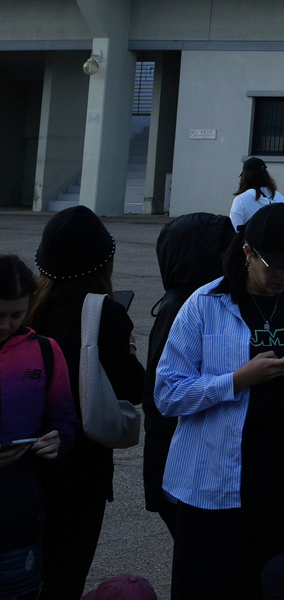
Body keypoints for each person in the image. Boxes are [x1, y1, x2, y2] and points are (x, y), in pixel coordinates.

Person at [156, 202, 284, 600]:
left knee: (276, 584)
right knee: (210, 583)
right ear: (248, 252)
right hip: (215, 478)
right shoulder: (204, 305)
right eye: (276, 268)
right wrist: (237, 380)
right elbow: (167, 393)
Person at [28, 207, 150, 600]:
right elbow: (133, 389)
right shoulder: (105, 313)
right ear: (103, 261)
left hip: (26, 458)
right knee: (65, 573)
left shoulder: (25, 308)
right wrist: (128, 352)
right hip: (81, 467)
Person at [143, 213, 234, 536]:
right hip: (179, 463)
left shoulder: (198, 302)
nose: (231, 259)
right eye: (222, 253)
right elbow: (166, 393)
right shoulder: (185, 307)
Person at [0, 253, 73, 600]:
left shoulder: (45, 351)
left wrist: (58, 442)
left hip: (18, 519)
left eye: (17, 314)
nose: (6, 325)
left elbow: (63, 418)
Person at [230, 158, 284, 230]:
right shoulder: (279, 197)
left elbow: (236, 229)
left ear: (245, 177)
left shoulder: (240, 200)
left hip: (249, 240)